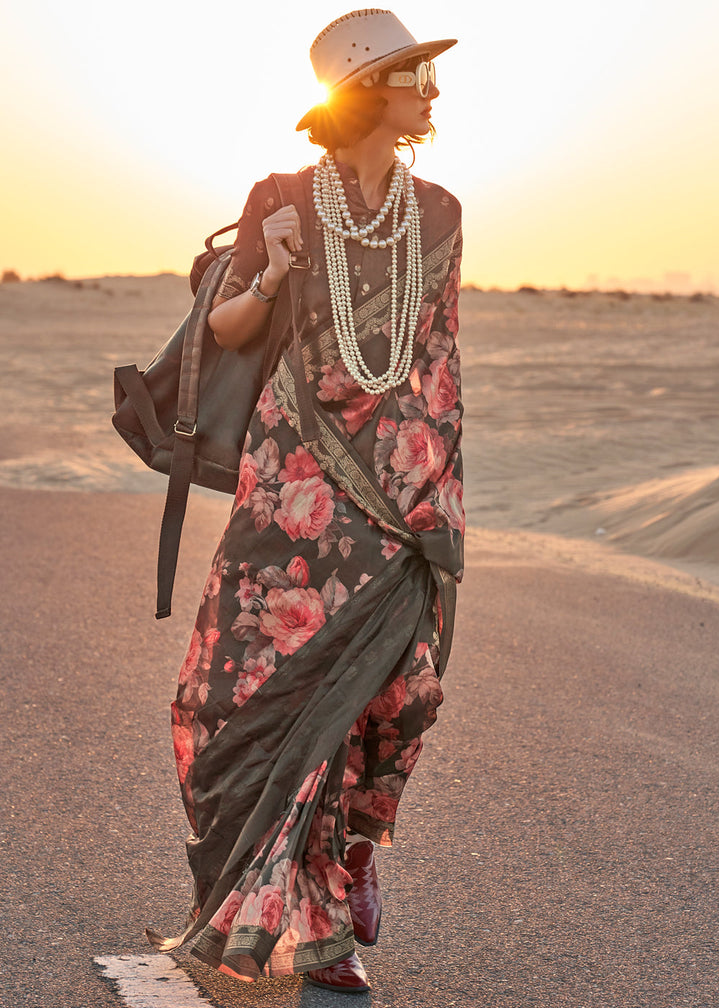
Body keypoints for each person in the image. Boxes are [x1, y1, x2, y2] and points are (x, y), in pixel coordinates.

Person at [147, 8, 464, 995]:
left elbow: (439, 359)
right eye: (416, 74)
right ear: (371, 88)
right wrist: (276, 267)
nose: (434, 92)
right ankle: (318, 934)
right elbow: (232, 329)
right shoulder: (281, 196)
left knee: (397, 695)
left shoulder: (442, 211)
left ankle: (354, 855)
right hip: (290, 490)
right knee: (244, 699)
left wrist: (440, 496)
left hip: (398, 493)